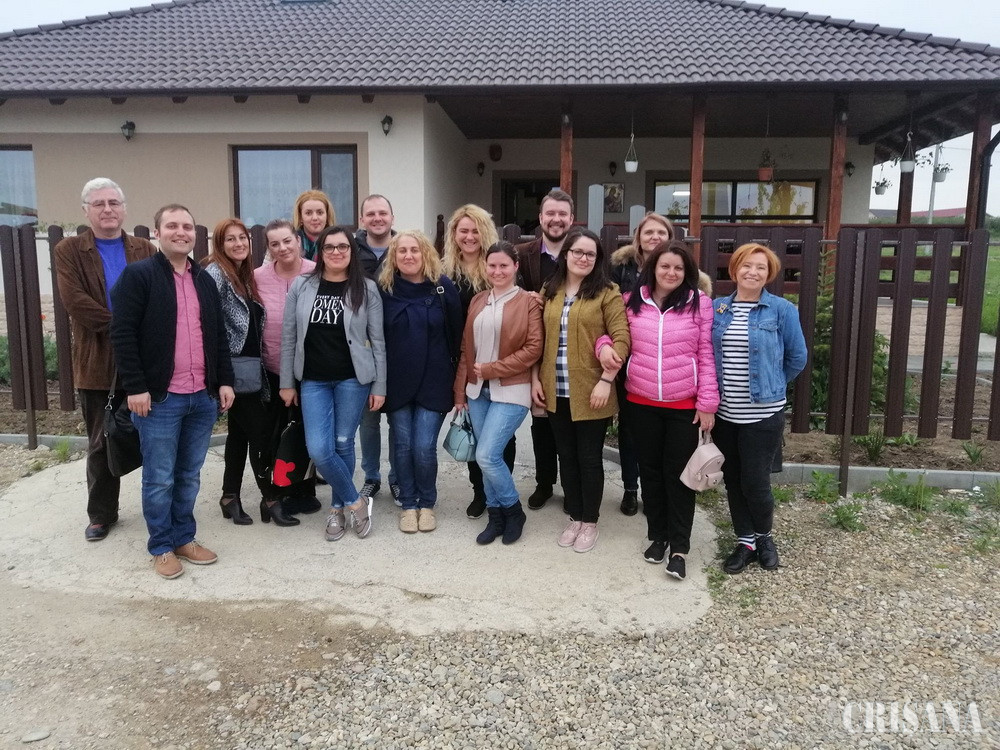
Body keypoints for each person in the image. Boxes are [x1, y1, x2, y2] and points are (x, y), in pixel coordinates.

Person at [110, 204, 235, 579]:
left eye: (187, 226)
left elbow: (217, 335)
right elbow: (123, 334)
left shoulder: (204, 280)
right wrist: (136, 387)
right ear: (157, 232)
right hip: (160, 398)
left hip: (202, 397)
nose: (181, 232)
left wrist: (224, 380)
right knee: (160, 477)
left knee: (189, 474)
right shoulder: (139, 276)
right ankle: (161, 546)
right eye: (172, 226)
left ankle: (184, 538)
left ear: (195, 234)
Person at [602, 240, 718, 581]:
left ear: (687, 273)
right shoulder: (630, 302)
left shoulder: (699, 303)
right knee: (650, 475)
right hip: (640, 404)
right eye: (665, 266)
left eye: (679, 268)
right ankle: (658, 536)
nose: (671, 272)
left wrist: (707, 403)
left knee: (679, 477)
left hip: (684, 407)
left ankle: (679, 549)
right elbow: (608, 334)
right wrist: (604, 346)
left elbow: (706, 354)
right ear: (652, 268)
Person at [53, 177, 156, 542]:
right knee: (102, 441)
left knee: (156, 439)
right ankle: (101, 514)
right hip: (98, 363)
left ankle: (159, 509)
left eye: (113, 203)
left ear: (124, 209)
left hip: (145, 363)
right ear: (86, 211)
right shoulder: (69, 250)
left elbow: (158, 295)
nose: (107, 209)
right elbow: (75, 301)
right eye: (99, 204)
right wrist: (125, 329)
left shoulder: (144, 248)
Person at [279, 226, 386, 542]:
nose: (336, 252)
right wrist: (287, 382)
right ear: (320, 252)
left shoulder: (366, 288)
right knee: (319, 448)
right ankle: (356, 502)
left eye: (343, 247)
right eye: (330, 247)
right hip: (314, 380)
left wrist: (380, 386)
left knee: (342, 443)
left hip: (353, 379)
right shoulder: (302, 285)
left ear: (352, 251)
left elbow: (378, 341)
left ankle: (337, 509)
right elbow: (289, 336)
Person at [532, 228, 629, 553]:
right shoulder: (550, 289)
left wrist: (606, 380)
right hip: (554, 388)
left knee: (588, 459)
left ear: (597, 259)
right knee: (567, 456)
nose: (583, 258)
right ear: (566, 254)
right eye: (578, 252)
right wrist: (535, 379)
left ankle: (590, 522)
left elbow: (622, 339)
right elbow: (537, 338)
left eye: (590, 254)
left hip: (592, 391)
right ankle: (575, 516)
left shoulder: (607, 292)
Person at [712, 243, 806, 574]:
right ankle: (745, 541)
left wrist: (772, 384)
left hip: (763, 415)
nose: (753, 272)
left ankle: (765, 537)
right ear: (735, 269)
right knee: (733, 480)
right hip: (725, 415)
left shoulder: (781, 310)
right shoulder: (717, 309)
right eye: (747, 265)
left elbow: (797, 357)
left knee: (755, 481)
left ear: (769, 275)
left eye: (761, 268)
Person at [204, 219, 296, 527]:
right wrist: (222, 377)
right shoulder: (216, 274)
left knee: (239, 434)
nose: (238, 243)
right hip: (233, 372)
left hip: (250, 370)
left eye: (242, 238)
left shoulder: (243, 274)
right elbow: (209, 327)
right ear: (220, 244)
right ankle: (270, 499)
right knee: (261, 434)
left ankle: (229, 495)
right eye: (230, 239)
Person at [454, 242, 543, 545]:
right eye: (492, 265)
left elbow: (533, 348)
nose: (497, 271)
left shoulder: (528, 302)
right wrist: (460, 392)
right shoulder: (478, 300)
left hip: (512, 390)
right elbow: (466, 349)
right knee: (485, 458)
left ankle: (514, 511)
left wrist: (493, 369)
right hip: (477, 391)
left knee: (487, 455)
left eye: (504, 265)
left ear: (516, 266)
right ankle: (496, 517)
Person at [378, 230, 462, 533]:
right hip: (397, 381)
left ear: (425, 253)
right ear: (394, 256)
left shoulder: (442, 287)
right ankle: (408, 504)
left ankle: (427, 503)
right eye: (402, 251)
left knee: (424, 447)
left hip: (435, 380)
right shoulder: (384, 289)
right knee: (402, 446)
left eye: (414, 250)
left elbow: (458, 336)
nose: (409, 255)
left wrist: (459, 383)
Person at [442, 204, 515, 520]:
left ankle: (501, 491)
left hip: (497, 363)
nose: (469, 237)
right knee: (474, 428)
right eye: (463, 231)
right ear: (454, 234)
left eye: (475, 230)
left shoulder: (495, 268)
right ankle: (480, 492)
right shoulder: (443, 272)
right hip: (462, 362)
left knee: (501, 434)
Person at [608, 212, 676, 516]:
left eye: (661, 232)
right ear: (638, 237)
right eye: (649, 232)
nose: (654, 237)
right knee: (631, 430)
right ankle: (630, 489)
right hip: (629, 361)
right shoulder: (621, 269)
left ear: (669, 238)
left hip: (666, 365)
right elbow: (608, 310)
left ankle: (653, 490)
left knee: (660, 434)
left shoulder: (678, 269)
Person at [516, 188, 575, 511]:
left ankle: (570, 487)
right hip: (535, 349)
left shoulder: (581, 252)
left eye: (562, 214)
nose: (556, 219)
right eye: (550, 213)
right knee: (541, 424)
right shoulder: (523, 254)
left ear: (571, 218)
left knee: (568, 425)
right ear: (540, 218)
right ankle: (544, 484)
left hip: (570, 350)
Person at [255, 220, 319, 516]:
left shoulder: (316, 272)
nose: (282, 248)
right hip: (271, 367)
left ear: (298, 241)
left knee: (306, 431)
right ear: (268, 248)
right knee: (274, 432)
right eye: (274, 244)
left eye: (287, 241)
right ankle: (277, 491)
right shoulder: (257, 277)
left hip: (309, 368)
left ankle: (304, 490)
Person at [355, 194, 399, 503]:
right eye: (371, 214)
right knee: (367, 421)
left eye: (382, 213)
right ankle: (372, 477)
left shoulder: (405, 247)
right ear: (362, 220)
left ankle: (397, 477)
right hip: (363, 349)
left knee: (397, 420)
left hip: (398, 347)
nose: (377, 218)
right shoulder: (350, 250)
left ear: (392, 217)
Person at [292, 189, 335, 261]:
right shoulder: (290, 242)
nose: (315, 218)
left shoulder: (339, 242)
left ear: (327, 216)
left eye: (320, 213)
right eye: (308, 213)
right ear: (300, 217)